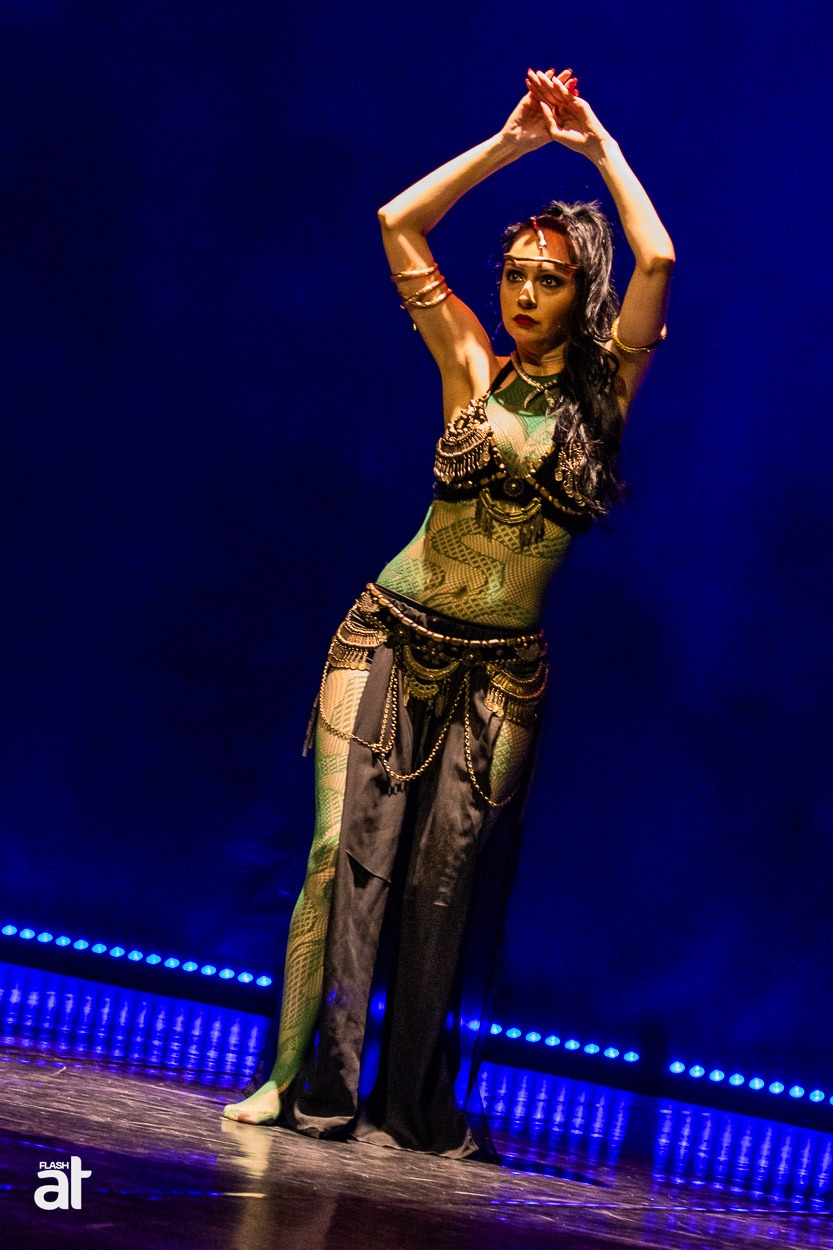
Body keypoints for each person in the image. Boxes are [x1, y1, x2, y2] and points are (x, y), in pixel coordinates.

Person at [222, 66, 674, 1159]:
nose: (522, 293)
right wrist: (510, 143)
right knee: (336, 854)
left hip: (500, 670)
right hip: (386, 631)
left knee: (440, 888)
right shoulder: (469, 360)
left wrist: (595, 144)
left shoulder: (603, 395)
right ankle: (296, 1080)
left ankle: (409, 1101)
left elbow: (657, 258)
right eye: (512, 273)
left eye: (547, 280)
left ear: (580, 295)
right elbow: (396, 221)